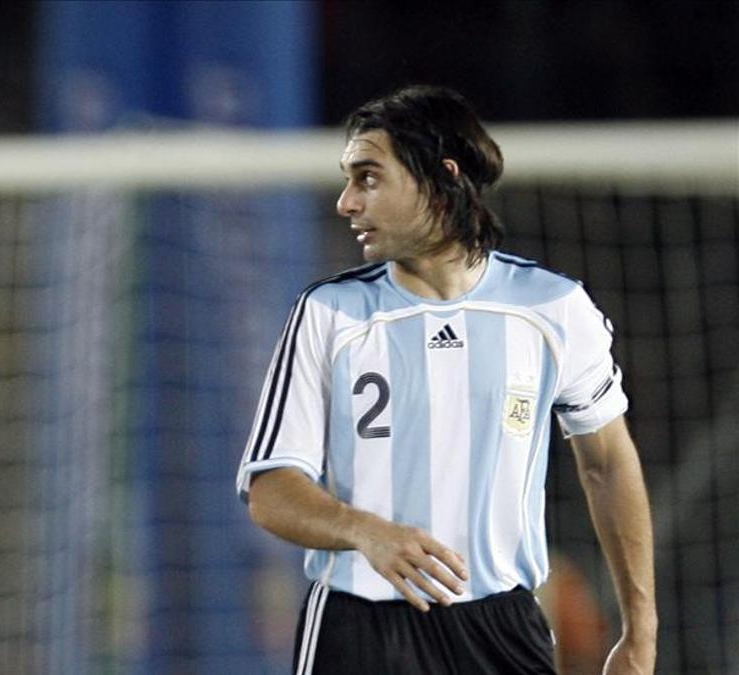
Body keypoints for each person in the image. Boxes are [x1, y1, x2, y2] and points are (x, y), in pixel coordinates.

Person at [236, 86, 656, 674]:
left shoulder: (553, 309)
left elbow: (608, 461)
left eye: (368, 178)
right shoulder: (330, 314)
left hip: (501, 629)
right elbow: (270, 489)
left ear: (440, 175)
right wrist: (366, 532)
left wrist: (640, 630)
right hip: (361, 625)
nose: (346, 202)